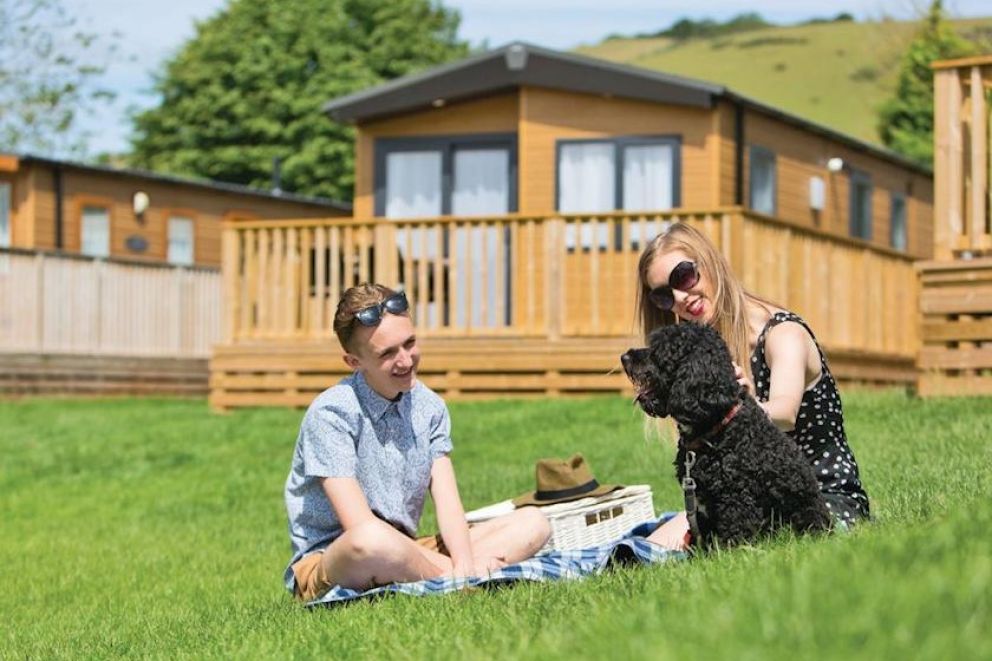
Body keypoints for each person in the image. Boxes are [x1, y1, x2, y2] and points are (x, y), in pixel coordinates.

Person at [283, 283, 550, 601]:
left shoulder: (429, 406)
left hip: (405, 549)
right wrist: (464, 571)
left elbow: (449, 503)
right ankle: (462, 578)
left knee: (534, 523)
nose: (406, 360)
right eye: (387, 353)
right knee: (370, 540)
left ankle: (450, 575)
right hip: (338, 559)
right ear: (354, 362)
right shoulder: (331, 413)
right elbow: (358, 525)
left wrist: (464, 560)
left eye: (409, 343)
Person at [634, 223, 870, 550]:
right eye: (663, 295)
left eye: (684, 276)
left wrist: (745, 402)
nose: (679, 298)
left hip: (823, 503)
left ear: (710, 263)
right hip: (748, 498)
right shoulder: (707, 351)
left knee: (659, 549)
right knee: (647, 544)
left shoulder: (782, 334)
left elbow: (785, 412)